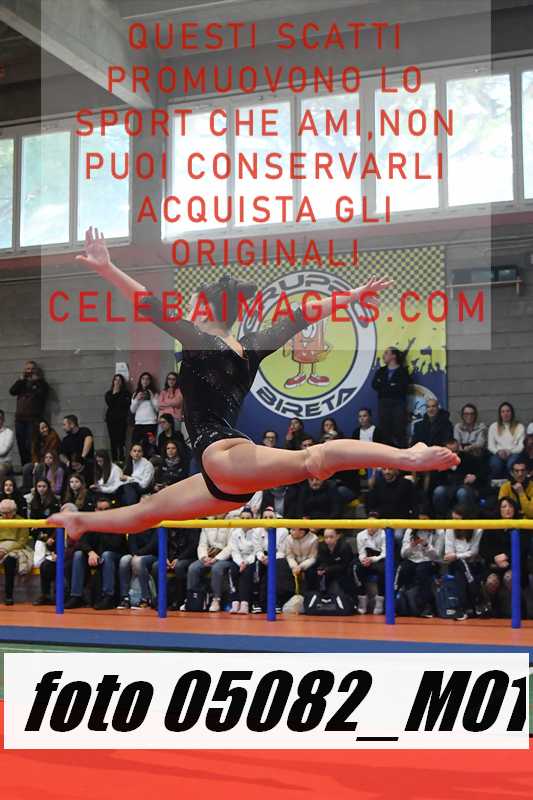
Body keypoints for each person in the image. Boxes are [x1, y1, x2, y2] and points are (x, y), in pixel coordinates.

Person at [49, 228, 459, 540]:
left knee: (313, 459)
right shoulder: (249, 349)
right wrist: (350, 296)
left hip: (223, 457)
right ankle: (80, 521)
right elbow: (302, 315)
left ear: (204, 309)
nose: (187, 310)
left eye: (192, 304)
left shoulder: (198, 341)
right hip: (223, 474)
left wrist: (107, 268)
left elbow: (148, 304)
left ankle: (408, 457)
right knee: (148, 511)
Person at [64, 497, 127, 610]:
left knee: (106, 555)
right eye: (100, 509)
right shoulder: (90, 523)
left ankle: (108, 596)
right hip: (95, 557)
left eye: (106, 509)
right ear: (95, 510)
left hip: (114, 556)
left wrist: (103, 526)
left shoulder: (118, 523)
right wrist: (90, 552)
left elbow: (115, 545)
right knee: (78, 555)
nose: (103, 512)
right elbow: (82, 542)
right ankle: (76, 596)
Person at [480, 496, 530, 616]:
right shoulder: (492, 526)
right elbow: (483, 549)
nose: (507, 509)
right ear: (499, 509)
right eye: (504, 506)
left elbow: (524, 547)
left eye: (510, 506)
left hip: (515, 565)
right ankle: (491, 609)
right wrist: (495, 558)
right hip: (494, 565)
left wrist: (507, 556)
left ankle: (521, 611)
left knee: (509, 577)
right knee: (491, 581)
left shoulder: (522, 525)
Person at [399, 511, 444, 618]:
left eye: (424, 520)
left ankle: (426, 607)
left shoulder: (440, 531)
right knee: (403, 569)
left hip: (431, 561)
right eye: (419, 520)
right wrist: (411, 546)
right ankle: (403, 605)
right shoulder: (410, 530)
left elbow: (437, 556)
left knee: (422, 571)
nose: (421, 523)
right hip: (413, 560)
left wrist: (426, 545)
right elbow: (403, 554)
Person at [186, 516, 236, 612]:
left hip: (225, 558)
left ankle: (216, 599)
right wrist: (204, 557)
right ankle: (193, 599)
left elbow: (230, 547)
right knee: (193, 568)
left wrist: (216, 558)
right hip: (208, 556)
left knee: (216, 568)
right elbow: (202, 544)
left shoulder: (232, 523)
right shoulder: (208, 523)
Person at [442, 505, 484, 620]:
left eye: (457, 520)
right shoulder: (450, 528)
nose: (454, 523)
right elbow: (448, 552)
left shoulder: (477, 529)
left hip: (472, 563)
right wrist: (458, 556)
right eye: (453, 519)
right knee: (461, 565)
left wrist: (457, 555)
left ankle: (462, 609)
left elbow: (474, 552)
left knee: (461, 571)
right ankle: (477, 600)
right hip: (455, 564)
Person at [117, 498, 159, 609]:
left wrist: (139, 554)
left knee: (138, 561)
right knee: (124, 559)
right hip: (136, 554)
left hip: (154, 555)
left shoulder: (158, 519)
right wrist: (134, 553)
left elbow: (154, 544)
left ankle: (145, 598)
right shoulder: (136, 521)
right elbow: (131, 540)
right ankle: (125, 597)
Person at [9, 361, 49, 465]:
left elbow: (43, 394)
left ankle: (34, 466)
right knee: (21, 445)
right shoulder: (22, 383)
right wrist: (20, 379)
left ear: (36, 370)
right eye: (28, 369)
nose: (30, 371)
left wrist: (37, 381)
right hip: (20, 419)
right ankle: (25, 467)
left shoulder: (41, 383)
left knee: (31, 445)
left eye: (32, 369)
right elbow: (12, 391)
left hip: (33, 420)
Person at [153, 525, 201, 611]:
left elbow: (193, 546)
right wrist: (165, 557)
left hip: (188, 557)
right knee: (157, 566)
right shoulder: (166, 525)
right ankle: (162, 598)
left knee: (179, 567)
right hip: (171, 557)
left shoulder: (192, 526)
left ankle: (179, 599)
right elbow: (160, 543)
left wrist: (179, 558)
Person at [371, 347, 410, 447]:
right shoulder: (381, 371)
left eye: (386, 353)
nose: (383, 355)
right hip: (383, 404)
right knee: (385, 431)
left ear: (393, 356)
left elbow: (403, 387)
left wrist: (385, 386)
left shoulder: (403, 371)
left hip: (398, 404)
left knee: (399, 430)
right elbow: (375, 385)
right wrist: (391, 385)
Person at [307, 528, 355, 599]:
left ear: (338, 536)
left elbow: (345, 565)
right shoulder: (322, 545)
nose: (328, 540)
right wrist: (321, 569)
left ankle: (350, 599)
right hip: (327, 571)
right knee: (311, 571)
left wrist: (326, 569)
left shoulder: (345, 547)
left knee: (341, 585)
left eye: (331, 537)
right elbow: (321, 560)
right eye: (326, 537)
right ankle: (314, 597)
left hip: (342, 572)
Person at [0, 498, 32, 605]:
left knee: (10, 561)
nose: (5, 515)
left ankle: (8, 596)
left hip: (15, 549)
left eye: (8, 513)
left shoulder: (21, 521)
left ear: (14, 511)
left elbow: (22, 541)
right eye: (3, 513)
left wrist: (5, 550)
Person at [229, 507, 261, 614]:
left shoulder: (256, 533)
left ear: (252, 519)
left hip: (251, 560)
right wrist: (240, 562)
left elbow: (256, 551)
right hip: (238, 559)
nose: (245, 521)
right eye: (242, 518)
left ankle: (244, 603)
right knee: (233, 570)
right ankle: (235, 602)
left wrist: (246, 562)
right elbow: (234, 551)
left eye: (248, 518)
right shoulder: (235, 532)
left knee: (247, 572)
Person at [355, 514, 387, 614]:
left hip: (380, 559)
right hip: (367, 558)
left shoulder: (384, 534)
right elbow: (361, 552)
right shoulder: (360, 535)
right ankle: (362, 599)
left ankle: (380, 601)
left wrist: (372, 559)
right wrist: (363, 560)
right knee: (356, 568)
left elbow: (385, 553)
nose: (370, 527)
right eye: (368, 524)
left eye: (373, 524)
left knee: (384, 570)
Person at [488, 402, 525, 479]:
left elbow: (521, 446)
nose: (505, 414)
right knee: (496, 465)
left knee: (511, 464)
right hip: (498, 454)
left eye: (508, 411)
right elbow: (490, 445)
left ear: (512, 413)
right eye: (503, 411)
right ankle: (495, 485)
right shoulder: (493, 426)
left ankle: (512, 484)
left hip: (514, 453)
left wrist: (510, 451)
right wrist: (498, 452)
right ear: (500, 414)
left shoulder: (519, 426)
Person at [23, 420, 61, 491]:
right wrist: (36, 462)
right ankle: (27, 490)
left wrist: (39, 463)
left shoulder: (53, 436)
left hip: (50, 461)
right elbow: (34, 452)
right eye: (42, 428)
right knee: (27, 467)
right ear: (38, 430)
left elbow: (51, 453)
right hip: (39, 461)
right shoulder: (36, 437)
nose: (45, 429)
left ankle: (38, 489)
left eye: (46, 427)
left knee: (39, 467)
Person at [104, 374, 131, 464]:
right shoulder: (109, 393)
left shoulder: (126, 393)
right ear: (113, 382)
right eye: (115, 380)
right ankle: (114, 460)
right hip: (111, 420)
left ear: (122, 382)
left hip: (122, 420)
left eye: (119, 380)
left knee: (121, 440)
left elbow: (125, 404)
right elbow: (110, 403)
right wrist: (115, 392)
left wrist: (118, 394)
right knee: (113, 440)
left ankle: (122, 459)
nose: (117, 382)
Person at [285, 526, 319, 593]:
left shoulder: (314, 539)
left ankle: (310, 593)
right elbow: (289, 556)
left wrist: (300, 567)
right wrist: (294, 566)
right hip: (294, 563)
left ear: (302, 532)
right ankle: (289, 593)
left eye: (293, 529)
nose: (290, 531)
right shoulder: (288, 538)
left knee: (312, 571)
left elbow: (313, 557)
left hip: (308, 563)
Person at [130, 372, 159, 448]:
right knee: (135, 444)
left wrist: (152, 397)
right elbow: (132, 410)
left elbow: (157, 409)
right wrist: (137, 399)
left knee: (148, 446)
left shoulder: (154, 393)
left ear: (150, 381)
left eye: (147, 379)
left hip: (151, 423)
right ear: (140, 380)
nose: (145, 381)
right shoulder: (135, 393)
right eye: (143, 379)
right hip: (138, 423)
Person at [0, 410, 15, 483]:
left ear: (3, 420)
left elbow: (3, 451)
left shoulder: (9, 433)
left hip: (4, 463)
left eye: (0, 418)